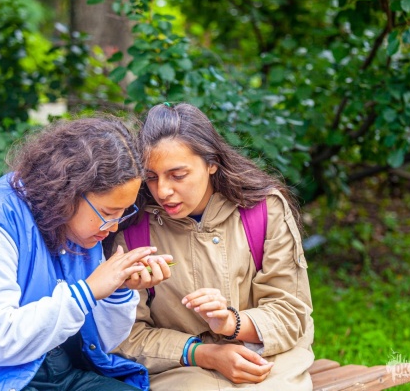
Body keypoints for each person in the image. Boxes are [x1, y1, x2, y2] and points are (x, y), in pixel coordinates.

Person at [0, 116, 174, 391]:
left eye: (122, 213)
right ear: (68, 190)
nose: (112, 228)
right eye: (107, 213)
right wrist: (88, 292)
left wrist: (117, 290)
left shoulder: (82, 228)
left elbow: (102, 343)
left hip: (55, 371)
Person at [111, 103, 315, 390]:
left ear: (211, 163)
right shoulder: (132, 229)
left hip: (267, 359)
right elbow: (125, 336)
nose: (163, 191)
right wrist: (201, 353)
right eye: (152, 177)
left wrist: (231, 323)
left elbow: (291, 313)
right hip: (180, 367)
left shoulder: (264, 210)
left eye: (177, 175)